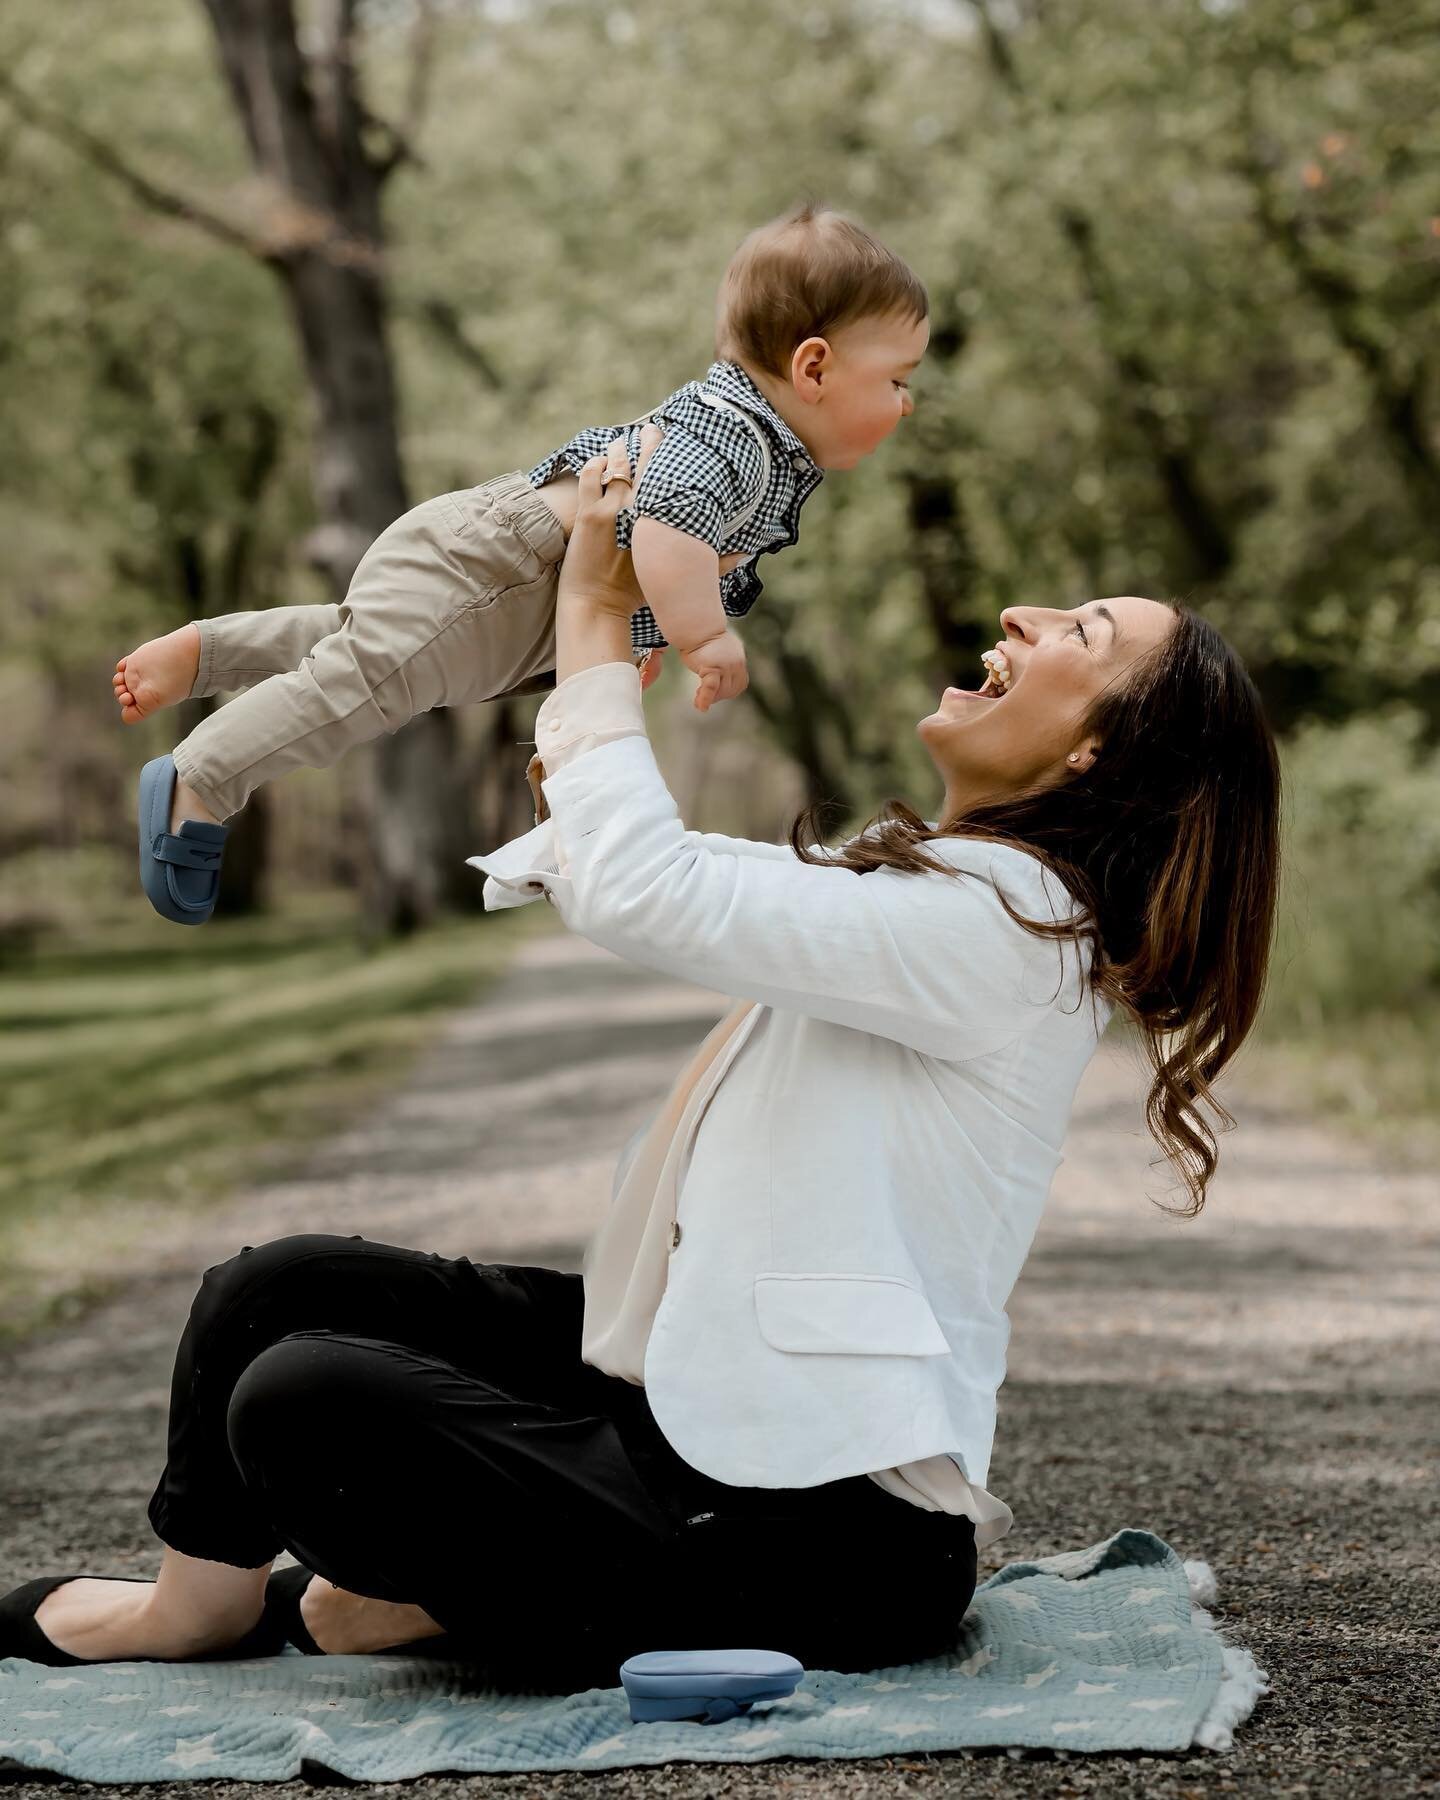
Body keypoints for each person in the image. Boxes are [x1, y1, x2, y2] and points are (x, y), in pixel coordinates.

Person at [3, 429, 1280, 1689]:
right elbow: (686, 877)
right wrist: (578, 776)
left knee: (305, 1400)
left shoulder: (1010, 929)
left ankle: (425, 1598)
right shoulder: (949, 890)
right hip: (679, 1400)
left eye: (1082, 634)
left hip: (822, 1529)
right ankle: (205, 1610)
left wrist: (597, 626)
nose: (1026, 613)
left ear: (1094, 751)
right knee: (276, 1291)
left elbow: (655, 890)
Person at [113, 203, 929, 925]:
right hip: (497, 567)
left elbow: (646, 557)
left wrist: (634, 639)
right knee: (367, 682)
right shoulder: (735, 437)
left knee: (373, 659)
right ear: (813, 367)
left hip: (507, 591)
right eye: (897, 378)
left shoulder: (765, 450)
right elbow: (666, 527)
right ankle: (201, 779)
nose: (906, 401)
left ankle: (211, 652)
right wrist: (701, 637)